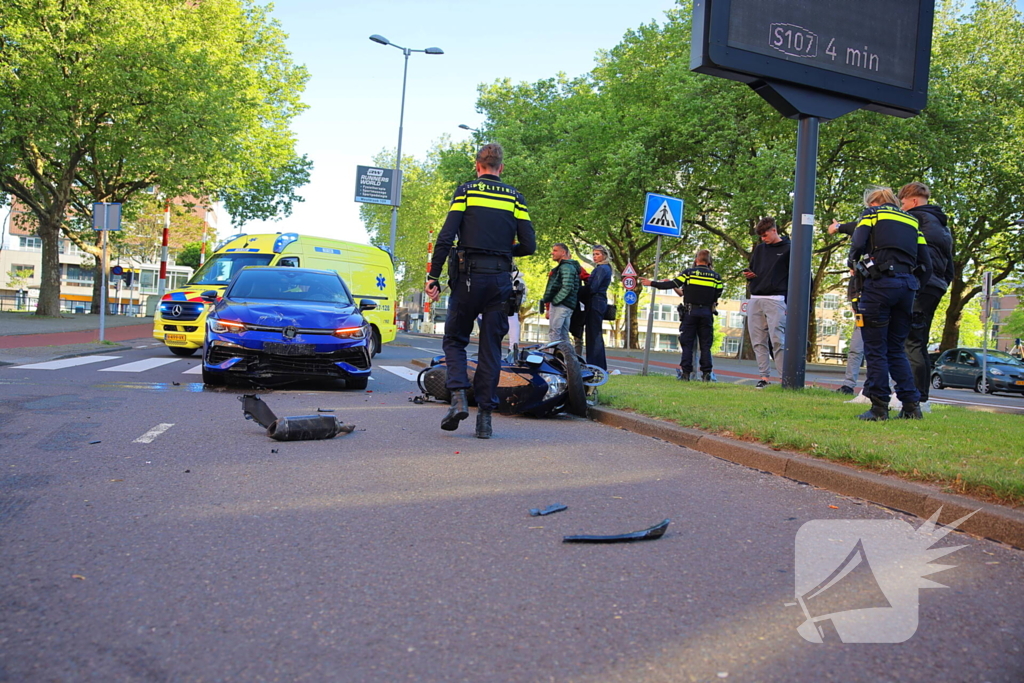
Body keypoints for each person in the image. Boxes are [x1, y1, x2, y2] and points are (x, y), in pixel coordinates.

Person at [425, 143, 536, 439]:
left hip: (467, 279)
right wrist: (502, 250)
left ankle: (459, 396)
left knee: (455, 339)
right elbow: (529, 246)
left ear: (478, 166)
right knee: (490, 349)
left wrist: (433, 276)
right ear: (501, 167)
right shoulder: (516, 198)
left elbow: (447, 237)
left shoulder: (466, 191)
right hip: (500, 280)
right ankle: (485, 418)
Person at [846, 186, 931, 421]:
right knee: (896, 349)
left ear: (872, 202)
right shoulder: (912, 221)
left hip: (880, 286)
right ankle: (912, 406)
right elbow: (927, 264)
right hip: (907, 288)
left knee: (875, 349)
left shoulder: (872, 215)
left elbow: (856, 247)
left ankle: (879, 408)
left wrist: (855, 266)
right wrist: (914, 286)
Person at [898, 182, 954, 413]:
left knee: (909, 340)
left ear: (912, 200)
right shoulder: (942, 225)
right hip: (936, 285)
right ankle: (920, 396)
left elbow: (909, 253)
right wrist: (943, 283)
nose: (901, 208)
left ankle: (914, 399)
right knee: (919, 340)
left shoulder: (915, 219)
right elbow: (949, 262)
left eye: (902, 203)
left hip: (920, 284)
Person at [641, 249, 724, 381]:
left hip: (690, 312)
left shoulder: (689, 273)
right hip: (707, 313)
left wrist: (651, 283)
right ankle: (707, 373)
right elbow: (718, 294)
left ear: (696, 260)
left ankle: (686, 373)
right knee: (705, 345)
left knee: (687, 344)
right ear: (709, 261)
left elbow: (672, 284)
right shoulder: (716, 277)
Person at [744, 217, 791, 388]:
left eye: (765, 235)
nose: (763, 239)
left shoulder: (789, 249)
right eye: (761, 237)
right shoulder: (760, 249)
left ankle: (784, 378)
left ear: (774, 230)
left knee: (778, 339)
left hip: (776, 298)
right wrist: (751, 276)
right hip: (756, 297)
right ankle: (764, 377)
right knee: (758, 340)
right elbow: (754, 269)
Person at [827, 222, 866, 397]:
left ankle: (880, 388)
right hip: (861, 308)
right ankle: (849, 385)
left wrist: (838, 226)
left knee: (878, 349)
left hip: (876, 304)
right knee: (856, 348)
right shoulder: (858, 269)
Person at [540, 243, 581, 343]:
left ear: (563, 253)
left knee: (555, 333)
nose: (551, 253)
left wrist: (555, 301)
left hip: (562, 305)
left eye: (555, 250)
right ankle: (569, 358)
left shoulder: (566, 267)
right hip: (566, 304)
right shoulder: (567, 267)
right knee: (563, 335)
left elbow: (567, 287)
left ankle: (555, 357)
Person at [583, 245, 613, 370]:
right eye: (594, 254)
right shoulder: (606, 268)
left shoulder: (602, 268)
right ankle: (597, 365)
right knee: (594, 334)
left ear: (604, 255)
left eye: (597, 254)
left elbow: (593, 287)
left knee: (593, 334)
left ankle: (595, 365)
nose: (595, 256)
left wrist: (581, 291)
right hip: (600, 301)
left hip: (595, 302)